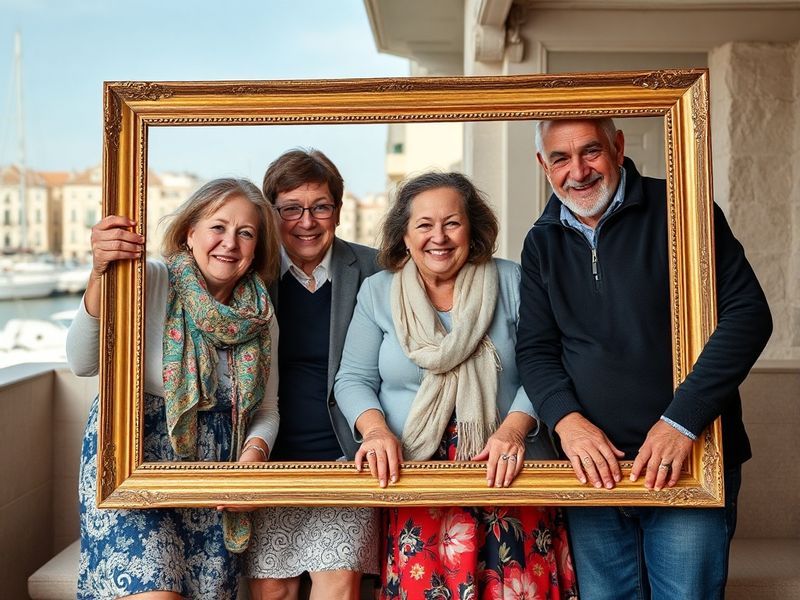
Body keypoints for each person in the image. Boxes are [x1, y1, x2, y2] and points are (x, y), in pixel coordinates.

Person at [516, 118, 772, 599]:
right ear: (542, 165)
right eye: (560, 158)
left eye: (590, 151)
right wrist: (566, 421)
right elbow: (536, 349)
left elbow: (748, 316)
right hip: (594, 474)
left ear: (618, 147)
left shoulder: (683, 210)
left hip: (689, 464)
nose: (578, 171)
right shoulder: (541, 242)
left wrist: (681, 422)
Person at [334, 171, 578, 599]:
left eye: (452, 222)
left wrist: (514, 431)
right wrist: (374, 432)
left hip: (508, 472)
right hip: (418, 479)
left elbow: (546, 363)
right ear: (404, 237)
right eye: (424, 225)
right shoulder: (379, 292)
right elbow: (353, 379)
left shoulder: (512, 281)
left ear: (473, 229)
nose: (439, 237)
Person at [67, 178, 281, 600]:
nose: (230, 243)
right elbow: (82, 361)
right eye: (218, 227)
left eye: (246, 233)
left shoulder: (261, 318)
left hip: (212, 482)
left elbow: (266, 410)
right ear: (190, 232)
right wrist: (99, 273)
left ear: (257, 249)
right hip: (131, 464)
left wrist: (252, 460)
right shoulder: (146, 280)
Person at [243, 149, 380, 600]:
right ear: (271, 213)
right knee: (273, 590)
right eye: (291, 209)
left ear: (337, 211)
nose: (307, 221)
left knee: (338, 585)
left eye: (320, 207)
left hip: (347, 459)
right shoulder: (251, 275)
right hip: (266, 460)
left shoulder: (376, 269)